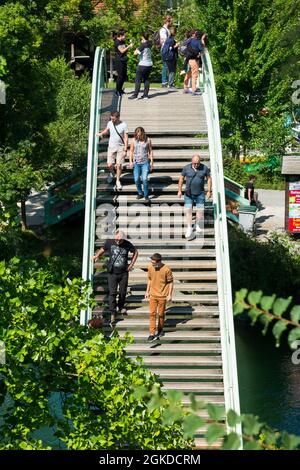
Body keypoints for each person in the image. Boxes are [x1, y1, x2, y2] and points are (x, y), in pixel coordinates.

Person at [93, 230, 138, 325]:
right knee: (112, 293)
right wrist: (96, 255)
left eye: (120, 240)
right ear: (115, 236)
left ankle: (120, 307)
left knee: (122, 292)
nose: (118, 241)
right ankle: (112, 312)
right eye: (117, 239)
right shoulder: (109, 242)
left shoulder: (127, 244)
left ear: (123, 238)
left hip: (123, 273)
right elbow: (102, 249)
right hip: (112, 273)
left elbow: (136, 252)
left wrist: (131, 264)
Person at [178, 154, 212, 239]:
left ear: (200, 162)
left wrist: (209, 191)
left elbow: (209, 179)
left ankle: (197, 225)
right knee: (188, 210)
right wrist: (179, 190)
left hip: (200, 193)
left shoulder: (204, 168)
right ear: (191, 162)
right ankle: (189, 227)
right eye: (194, 163)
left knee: (200, 210)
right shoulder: (186, 168)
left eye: (197, 163)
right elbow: (181, 178)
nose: (196, 165)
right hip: (188, 193)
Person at [96, 111, 128, 191]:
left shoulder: (124, 125)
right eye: (111, 118)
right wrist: (101, 133)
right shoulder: (110, 123)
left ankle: (118, 181)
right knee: (109, 164)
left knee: (119, 165)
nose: (112, 120)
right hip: (111, 147)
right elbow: (107, 130)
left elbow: (126, 137)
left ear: (118, 117)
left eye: (113, 119)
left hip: (120, 147)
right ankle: (112, 173)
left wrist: (125, 149)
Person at [145, 253, 173, 341]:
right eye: (151, 261)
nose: (152, 263)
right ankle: (152, 333)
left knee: (161, 314)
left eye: (153, 262)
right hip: (153, 294)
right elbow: (149, 279)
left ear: (159, 262)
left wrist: (169, 294)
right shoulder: (150, 267)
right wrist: (147, 291)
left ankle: (160, 329)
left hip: (162, 295)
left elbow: (170, 282)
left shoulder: (166, 269)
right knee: (152, 314)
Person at [129, 127, 154, 203]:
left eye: (139, 135)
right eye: (137, 135)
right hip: (136, 163)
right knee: (136, 179)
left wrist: (152, 162)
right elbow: (131, 151)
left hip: (145, 163)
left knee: (144, 179)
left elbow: (150, 151)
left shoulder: (148, 140)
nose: (138, 136)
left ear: (143, 134)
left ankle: (146, 196)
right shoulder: (134, 140)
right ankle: (140, 193)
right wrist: (130, 161)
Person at [128, 32, 153, 100]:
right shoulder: (150, 43)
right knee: (146, 79)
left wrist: (136, 48)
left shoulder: (143, 45)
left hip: (142, 64)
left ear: (142, 37)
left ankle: (135, 95)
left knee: (138, 79)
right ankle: (145, 95)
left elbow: (135, 53)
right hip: (149, 64)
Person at [183, 29, 204, 96]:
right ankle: (194, 90)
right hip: (194, 60)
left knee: (188, 73)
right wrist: (202, 41)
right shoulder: (198, 42)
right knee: (195, 74)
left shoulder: (189, 40)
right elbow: (202, 50)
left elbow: (184, 44)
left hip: (187, 59)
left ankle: (185, 88)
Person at [114, 30, 134, 97]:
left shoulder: (122, 41)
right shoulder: (117, 42)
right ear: (120, 36)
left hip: (123, 60)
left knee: (124, 76)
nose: (125, 37)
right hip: (119, 61)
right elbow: (122, 51)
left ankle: (120, 89)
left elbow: (124, 49)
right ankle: (117, 90)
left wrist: (129, 47)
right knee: (120, 76)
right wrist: (128, 46)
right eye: (124, 35)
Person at [159, 15, 173, 87]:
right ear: (168, 21)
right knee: (165, 66)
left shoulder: (167, 29)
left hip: (168, 49)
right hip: (165, 50)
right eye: (171, 21)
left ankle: (166, 82)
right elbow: (163, 40)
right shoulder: (163, 30)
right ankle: (164, 82)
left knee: (168, 66)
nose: (172, 23)